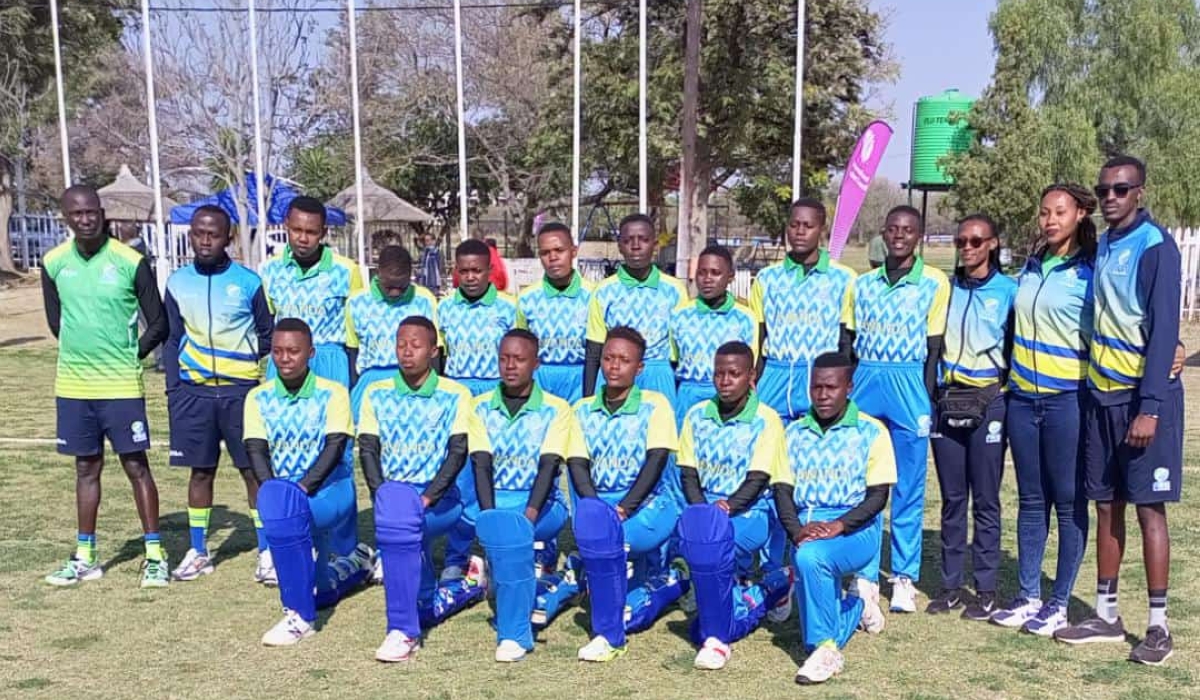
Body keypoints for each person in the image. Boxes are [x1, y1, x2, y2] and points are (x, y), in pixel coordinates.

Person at [1055, 156, 1184, 666]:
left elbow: (1164, 330)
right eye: (1104, 189)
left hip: (1142, 401)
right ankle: (1106, 615)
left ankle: (1158, 627)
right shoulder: (1106, 243)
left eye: (1121, 189)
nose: (1110, 197)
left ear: (1139, 193)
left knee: (1149, 508)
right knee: (1106, 504)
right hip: (1101, 397)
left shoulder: (1156, 246)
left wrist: (1150, 407)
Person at [42, 185, 169, 588]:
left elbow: (159, 323)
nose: (85, 219)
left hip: (120, 386)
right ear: (66, 218)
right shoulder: (53, 262)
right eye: (76, 214)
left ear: (102, 213)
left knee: (135, 466)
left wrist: (132, 354)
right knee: (86, 467)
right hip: (74, 386)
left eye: (91, 212)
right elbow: (56, 323)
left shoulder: (130, 261)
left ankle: (155, 555)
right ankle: (85, 557)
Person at [986, 184, 1096, 634]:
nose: (1050, 220)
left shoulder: (1090, 271)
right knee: (1031, 500)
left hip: (1068, 399)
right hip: (1022, 400)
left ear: (1081, 214)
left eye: (1060, 212)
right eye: (1045, 213)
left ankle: (1059, 603)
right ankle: (1028, 596)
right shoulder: (1031, 267)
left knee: (1068, 502)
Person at [842, 204, 950, 613]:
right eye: (892, 229)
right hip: (866, 382)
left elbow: (934, 348)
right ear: (883, 234)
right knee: (864, 485)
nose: (899, 236)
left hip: (909, 385)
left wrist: (926, 399)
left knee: (908, 487)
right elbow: (847, 345)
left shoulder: (934, 282)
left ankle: (903, 576)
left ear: (918, 236)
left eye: (907, 230)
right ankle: (865, 573)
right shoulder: (861, 284)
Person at [357, 316, 485, 663]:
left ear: (433, 351)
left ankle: (403, 632)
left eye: (416, 345)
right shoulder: (375, 392)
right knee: (425, 603)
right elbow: (368, 449)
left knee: (403, 526)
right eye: (401, 344)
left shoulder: (455, 394)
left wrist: (427, 497)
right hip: (395, 496)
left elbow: (458, 452)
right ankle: (463, 589)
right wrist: (382, 496)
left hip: (440, 501)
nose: (407, 351)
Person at [163, 206, 275, 583]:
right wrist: (174, 387)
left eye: (213, 234)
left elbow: (267, 333)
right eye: (199, 233)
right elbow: (172, 338)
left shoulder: (248, 282)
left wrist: (240, 361)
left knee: (252, 471)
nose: (205, 241)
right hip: (193, 393)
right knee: (200, 472)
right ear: (190, 235)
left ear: (228, 238)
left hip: (240, 392)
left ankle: (267, 552)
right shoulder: (177, 283)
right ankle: (198, 551)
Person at [244, 319, 372, 646]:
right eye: (277, 352)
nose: (284, 358)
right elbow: (256, 450)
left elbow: (335, 447)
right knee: (324, 591)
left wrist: (296, 493)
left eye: (293, 351)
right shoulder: (257, 397)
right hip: (290, 493)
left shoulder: (333, 393)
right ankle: (358, 563)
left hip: (330, 490)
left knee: (288, 518)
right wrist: (275, 494)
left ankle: (299, 617)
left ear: (310, 353)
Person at [772, 352, 893, 685]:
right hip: (807, 531)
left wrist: (838, 526)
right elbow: (782, 490)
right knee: (808, 555)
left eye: (831, 387)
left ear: (849, 387)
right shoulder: (793, 433)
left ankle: (826, 651)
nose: (822, 395)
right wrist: (796, 531)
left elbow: (878, 498)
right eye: (816, 387)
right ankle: (856, 606)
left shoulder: (872, 432)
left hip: (856, 530)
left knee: (810, 558)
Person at [569, 327, 688, 662]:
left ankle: (609, 638)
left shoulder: (656, 405)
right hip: (604, 503)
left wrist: (621, 509)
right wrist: (597, 511)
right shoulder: (582, 409)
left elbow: (656, 462)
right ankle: (668, 581)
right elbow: (578, 464)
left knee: (611, 544)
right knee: (629, 606)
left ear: (639, 368)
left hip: (650, 506)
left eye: (624, 360)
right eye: (608, 358)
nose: (614, 366)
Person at [676, 341, 789, 670]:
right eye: (719, 374)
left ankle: (717, 640)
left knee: (710, 547)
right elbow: (688, 474)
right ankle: (768, 587)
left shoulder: (767, 419)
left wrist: (719, 514)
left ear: (751, 377)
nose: (724, 381)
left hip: (749, 512)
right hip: (707, 508)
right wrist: (703, 515)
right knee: (694, 544)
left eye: (734, 374)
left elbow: (758, 480)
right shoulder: (697, 415)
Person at [925, 215, 1016, 620]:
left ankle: (986, 589)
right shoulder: (945, 290)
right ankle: (949, 587)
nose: (967, 248)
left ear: (992, 243)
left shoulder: (1009, 291)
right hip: (948, 400)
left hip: (989, 401)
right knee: (952, 499)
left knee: (986, 499)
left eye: (976, 241)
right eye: (961, 241)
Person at [470, 330, 579, 662]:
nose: (510, 366)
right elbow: (481, 465)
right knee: (504, 537)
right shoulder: (479, 406)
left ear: (536, 363)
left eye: (519, 359)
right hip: (494, 501)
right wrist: (491, 522)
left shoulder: (557, 409)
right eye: (504, 358)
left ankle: (514, 635)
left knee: (514, 536)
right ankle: (541, 581)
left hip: (542, 506)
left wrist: (525, 520)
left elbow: (549, 467)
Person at [437, 238, 520, 579]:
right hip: (458, 397)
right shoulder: (444, 308)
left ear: (489, 271)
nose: (470, 277)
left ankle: (501, 549)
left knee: (499, 475)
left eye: (477, 270)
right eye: (464, 271)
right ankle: (457, 556)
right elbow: (439, 359)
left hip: (496, 398)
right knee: (462, 479)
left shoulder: (508, 308)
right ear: (455, 271)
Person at [749, 199, 855, 423]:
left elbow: (846, 339)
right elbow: (758, 333)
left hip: (819, 376)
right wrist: (755, 375)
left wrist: (841, 378)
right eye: (794, 225)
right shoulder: (766, 278)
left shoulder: (844, 278)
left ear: (821, 230)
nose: (800, 232)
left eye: (808, 226)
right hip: (775, 374)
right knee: (768, 436)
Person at [259, 196, 363, 386]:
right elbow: (267, 323)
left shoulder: (346, 271)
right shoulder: (269, 270)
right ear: (286, 225)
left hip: (330, 363)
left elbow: (357, 329)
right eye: (297, 230)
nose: (303, 239)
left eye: (311, 232)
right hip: (285, 363)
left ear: (323, 232)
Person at [584, 213, 689, 402]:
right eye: (628, 240)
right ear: (619, 246)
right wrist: (588, 398)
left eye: (644, 240)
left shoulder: (674, 290)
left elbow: (681, 347)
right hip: (615, 373)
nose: (636, 246)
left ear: (655, 245)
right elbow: (594, 350)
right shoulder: (604, 291)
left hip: (658, 374)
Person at [670, 245, 758, 428]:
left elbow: (751, 364)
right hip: (688, 394)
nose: (707, 279)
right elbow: (673, 361)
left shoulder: (745, 317)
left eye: (715, 273)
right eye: (702, 273)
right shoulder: (680, 315)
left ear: (730, 276)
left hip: (728, 396)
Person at [345, 244, 438, 419]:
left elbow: (435, 351)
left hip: (414, 382)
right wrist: (356, 386)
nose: (395, 293)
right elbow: (352, 350)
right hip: (370, 382)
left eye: (401, 286)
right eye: (388, 286)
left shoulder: (425, 300)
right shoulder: (356, 302)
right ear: (378, 273)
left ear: (410, 275)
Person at [516, 222, 594, 403]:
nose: (553, 257)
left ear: (573, 252)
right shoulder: (526, 298)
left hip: (581, 379)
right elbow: (521, 345)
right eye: (545, 252)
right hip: (540, 379)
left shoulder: (593, 295)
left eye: (559, 250)